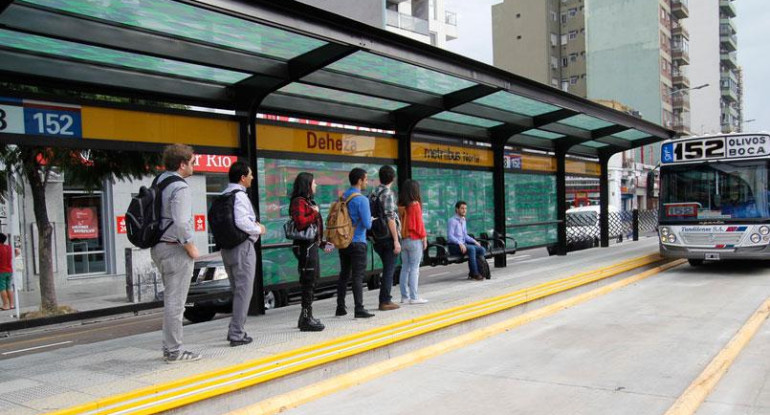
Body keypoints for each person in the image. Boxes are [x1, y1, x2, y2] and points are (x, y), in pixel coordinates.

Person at [152, 143, 201, 363]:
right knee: (176, 301)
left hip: (160, 247)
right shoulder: (180, 187)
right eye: (192, 162)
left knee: (171, 299)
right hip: (175, 249)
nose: (194, 165)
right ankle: (174, 351)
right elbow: (181, 222)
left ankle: (169, 347)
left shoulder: (160, 181)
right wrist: (190, 246)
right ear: (182, 164)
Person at [221, 161, 266, 346]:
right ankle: (236, 333)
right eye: (250, 174)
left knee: (237, 290)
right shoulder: (239, 196)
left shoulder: (224, 194)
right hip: (242, 248)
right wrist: (258, 228)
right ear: (242, 178)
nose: (252, 178)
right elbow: (241, 222)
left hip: (227, 248)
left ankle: (236, 329)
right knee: (244, 291)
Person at [289, 172, 333, 331]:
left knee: (313, 279)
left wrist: (323, 244)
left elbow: (315, 229)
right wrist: (314, 212)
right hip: (304, 248)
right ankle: (306, 318)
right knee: (308, 281)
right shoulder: (298, 202)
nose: (316, 185)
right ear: (307, 185)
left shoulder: (308, 202)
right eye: (314, 183)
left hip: (311, 246)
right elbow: (300, 224)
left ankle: (306, 316)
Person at [336, 168, 375, 318]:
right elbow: (367, 224)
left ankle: (340, 307)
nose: (366, 182)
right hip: (358, 241)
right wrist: (370, 220)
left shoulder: (343, 197)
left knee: (344, 274)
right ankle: (359, 308)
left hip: (344, 241)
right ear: (359, 180)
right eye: (365, 179)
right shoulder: (362, 200)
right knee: (358, 276)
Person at [370, 166, 401, 311]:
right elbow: (390, 218)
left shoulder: (373, 192)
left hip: (377, 236)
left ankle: (385, 299)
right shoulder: (387, 193)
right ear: (393, 178)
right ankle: (385, 301)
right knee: (389, 269)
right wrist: (396, 240)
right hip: (387, 237)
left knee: (387, 267)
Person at [397, 179, 428, 304]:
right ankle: (414, 297)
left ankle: (404, 297)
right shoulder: (415, 205)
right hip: (414, 239)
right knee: (415, 269)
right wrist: (424, 238)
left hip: (403, 240)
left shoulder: (401, 206)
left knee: (405, 268)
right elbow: (419, 225)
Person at [447, 201, 487, 281]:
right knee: (472, 249)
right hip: (454, 246)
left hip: (463, 245)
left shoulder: (463, 220)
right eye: (462, 208)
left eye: (465, 208)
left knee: (481, 249)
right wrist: (460, 243)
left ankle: (475, 271)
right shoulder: (452, 221)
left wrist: (475, 241)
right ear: (457, 209)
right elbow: (450, 236)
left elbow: (465, 235)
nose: (464, 210)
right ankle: (475, 274)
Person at [0, 234, 14, 310]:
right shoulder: (9, 247)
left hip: (1, 271)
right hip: (9, 270)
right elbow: (16, 253)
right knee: (9, 287)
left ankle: (6, 305)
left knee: (2, 288)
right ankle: (11, 304)